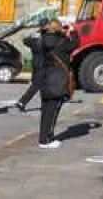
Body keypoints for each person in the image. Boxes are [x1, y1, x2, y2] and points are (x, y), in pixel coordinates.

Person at [28, 19, 80, 149]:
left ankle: (43, 137)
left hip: (44, 77)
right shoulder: (63, 41)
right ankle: (46, 140)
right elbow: (75, 43)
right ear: (58, 29)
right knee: (52, 111)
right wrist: (73, 31)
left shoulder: (41, 40)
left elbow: (28, 41)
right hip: (57, 80)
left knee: (45, 110)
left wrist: (45, 31)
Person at [15, 24, 47, 112]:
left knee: (42, 85)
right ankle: (22, 102)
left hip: (35, 64)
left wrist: (34, 34)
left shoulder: (34, 38)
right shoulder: (46, 39)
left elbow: (25, 40)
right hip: (43, 64)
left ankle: (44, 105)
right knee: (37, 85)